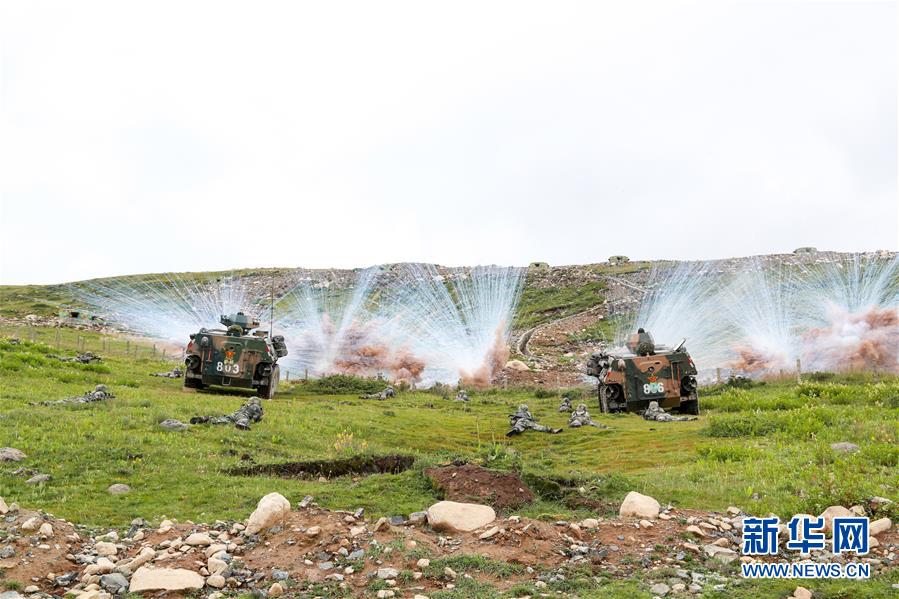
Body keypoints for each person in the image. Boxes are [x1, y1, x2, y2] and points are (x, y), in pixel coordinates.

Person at [190, 397, 264, 430]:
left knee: (222, 421)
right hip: (243, 415)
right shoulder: (256, 407)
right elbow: (256, 418)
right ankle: (242, 425)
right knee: (243, 420)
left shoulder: (244, 405)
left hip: (233, 414)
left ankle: (206, 419)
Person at [31, 384, 114, 406]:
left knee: (61, 401)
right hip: (83, 401)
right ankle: (41, 404)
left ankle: (40, 403)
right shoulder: (100, 393)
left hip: (80, 398)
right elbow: (97, 399)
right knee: (62, 403)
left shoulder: (93, 392)